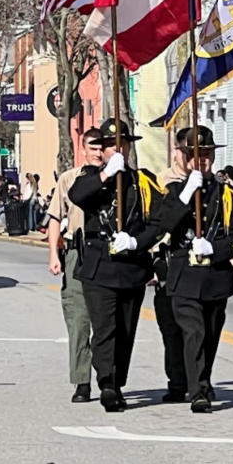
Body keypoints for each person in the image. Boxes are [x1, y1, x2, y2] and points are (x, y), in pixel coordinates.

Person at [69, 119, 166, 412]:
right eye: (111, 145)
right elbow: (77, 195)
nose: (117, 149)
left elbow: (159, 221)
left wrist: (138, 242)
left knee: (125, 330)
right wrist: (106, 175)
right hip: (100, 265)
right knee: (104, 329)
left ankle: (118, 380)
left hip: (132, 265)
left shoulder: (143, 181)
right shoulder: (92, 177)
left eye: (122, 144)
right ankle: (108, 384)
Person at [158, 126, 233, 413]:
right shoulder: (172, 191)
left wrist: (215, 250)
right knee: (193, 332)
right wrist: (187, 194)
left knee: (209, 335)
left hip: (215, 276)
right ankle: (197, 390)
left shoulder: (226, 194)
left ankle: (203, 380)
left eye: (207, 154)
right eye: (195, 155)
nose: (202, 160)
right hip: (184, 275)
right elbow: (166, 225)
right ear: (184, 157)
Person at [46, 129, 102, 403]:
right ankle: (82, 381)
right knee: (79, 321)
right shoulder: (69, 179)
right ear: (83, 148)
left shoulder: (116, 178)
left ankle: (109, 378)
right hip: (76, 252)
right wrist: (53, 256)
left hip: (106, 254)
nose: (98, 151)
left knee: (106, 321)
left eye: (102, 146)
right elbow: (55, 218)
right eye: (93, 146)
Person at [153, 129, 193, 403]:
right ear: (175, 151)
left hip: (199, 264)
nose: (192, 157)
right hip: (168, 262)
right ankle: (178, 381)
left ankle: (199, 379)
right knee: (172, 328)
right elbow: (155, 225)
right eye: (186, 151)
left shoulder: (211, 183)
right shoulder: (162, 183)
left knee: (200, 328)